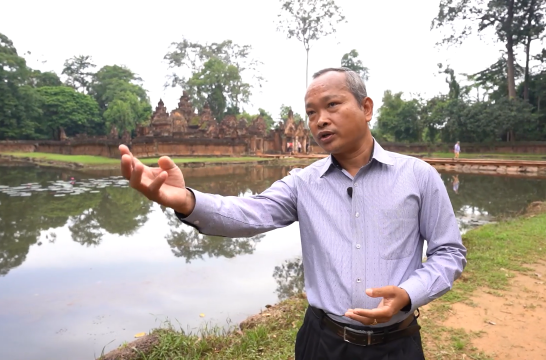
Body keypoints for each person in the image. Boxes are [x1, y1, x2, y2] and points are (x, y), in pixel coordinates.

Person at [118, 67, 467, 360]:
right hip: (323, 341)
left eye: (332, 105)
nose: (320, 121)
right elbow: (250, 212)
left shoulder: (418, 176)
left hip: (397, 344)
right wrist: (187, 201)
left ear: (366, 108)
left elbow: (448, 253)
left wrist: (408, 293)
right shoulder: (304, 183)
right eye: (311, 113)